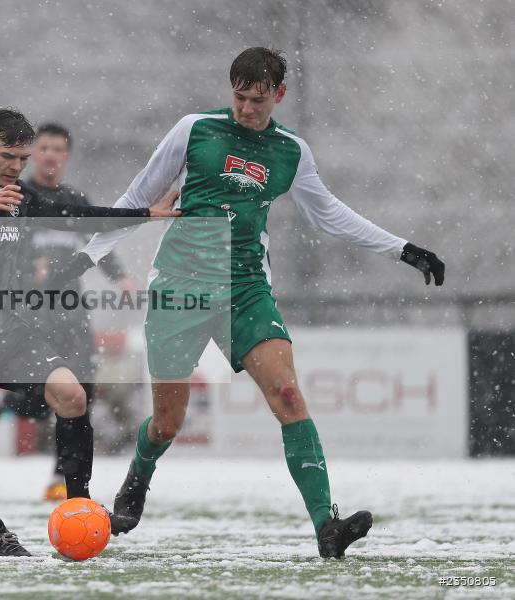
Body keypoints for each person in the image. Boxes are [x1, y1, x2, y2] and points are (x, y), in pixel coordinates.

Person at [62, 47, 446, 559]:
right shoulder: (193, 130)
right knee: (166, 424)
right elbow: (137, 198)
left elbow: (329, 214)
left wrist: (403, 249)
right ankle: (138, 477)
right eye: (239, 97)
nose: (246, 108)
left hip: (245, 287)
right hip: (181, 286)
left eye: (257, 99)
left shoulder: (291, 151)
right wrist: (85, 259)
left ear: (279, 95)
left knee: (288, 395)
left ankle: (326, 527)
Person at [0, 108, 179, 556]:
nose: (16, 166)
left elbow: (80, 215)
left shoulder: (21, 198)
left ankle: (78, 506)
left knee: (73, 396)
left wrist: (145, 214)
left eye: (22, 158)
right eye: (7, 156)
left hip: (10, 328)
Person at [2, 122, 138, 502]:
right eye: (43, 148)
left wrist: (121, 278)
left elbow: (99, 244)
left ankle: (63, 475)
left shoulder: (75, 199)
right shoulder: (16, 197)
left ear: (66, 156)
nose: (50, 155)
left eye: (57, 149)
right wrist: (28, 270)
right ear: (33, 154)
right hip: (29, 312)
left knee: (83, 392)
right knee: (35, 397)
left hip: (71, 313)